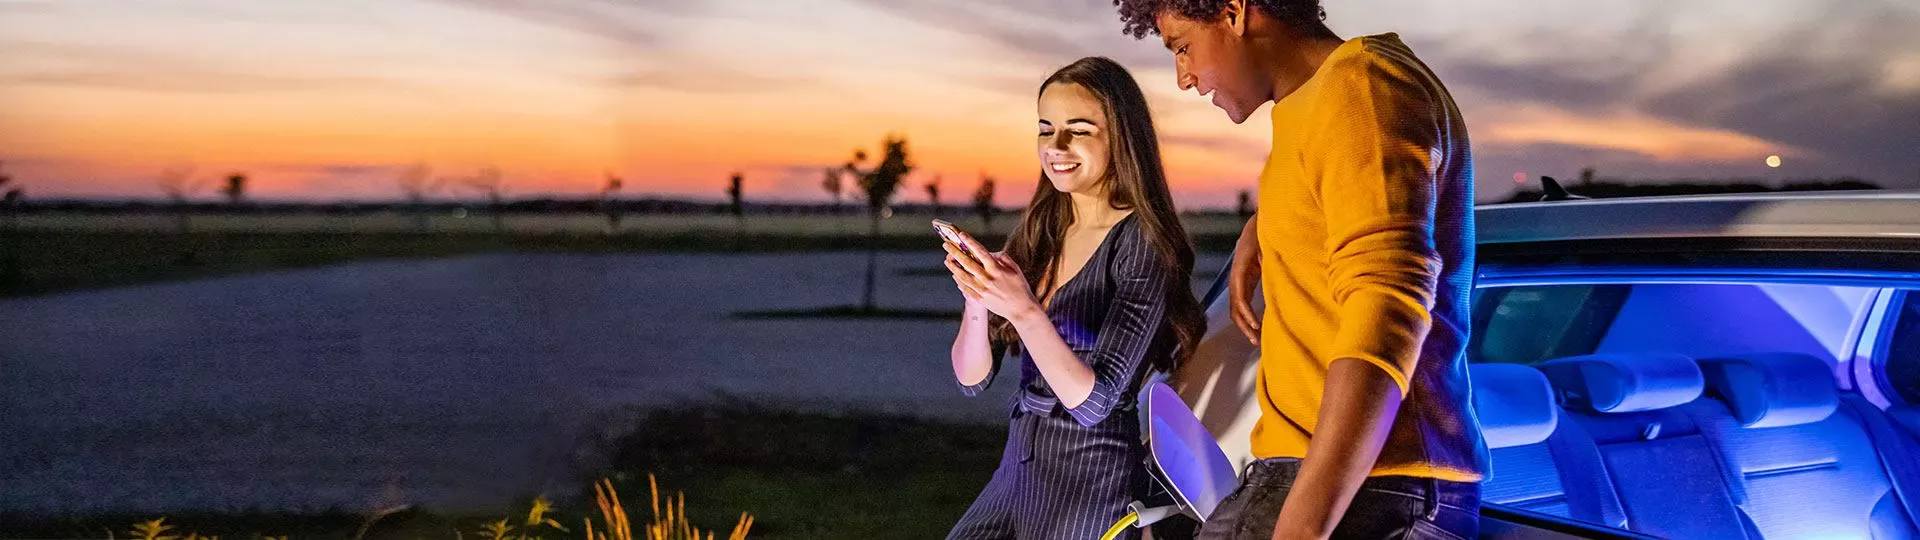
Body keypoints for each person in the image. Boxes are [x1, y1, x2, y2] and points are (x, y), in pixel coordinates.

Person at [1112, 0, 1488, 538]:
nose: (1184, 78)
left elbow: (1386, 315)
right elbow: (1338, 193)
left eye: (1182, 47)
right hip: (1306, 476)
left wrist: (1303, 527)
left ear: (1234, 12)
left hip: (1369, 488)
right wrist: (1262, 227)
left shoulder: (1364, 87)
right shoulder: (1316, 107)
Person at [942, 56, 1208, 540]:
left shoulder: (1142, 242)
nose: (1056, 147)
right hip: (1019, 466)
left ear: (1121, 137)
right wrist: (978, 296)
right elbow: (971, 381)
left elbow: (1093, 402)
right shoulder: (1043, 229)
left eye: (1078, 130)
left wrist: (1023, 309)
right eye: (1046, 129)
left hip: (1090, 479)